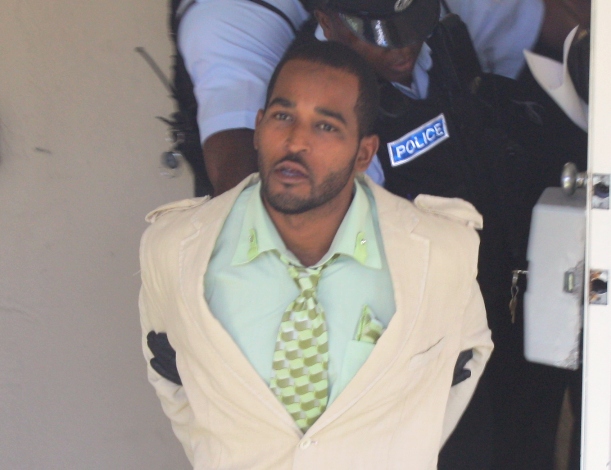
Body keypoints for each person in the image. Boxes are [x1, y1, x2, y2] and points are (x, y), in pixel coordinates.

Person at [140, 40, 493, 469]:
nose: (296, 141)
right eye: (282, 116)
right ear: (258, 127)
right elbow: (172, 380)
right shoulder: (175, 248)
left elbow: (460, 369)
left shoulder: (440, 252)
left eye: (325, 126)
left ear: (363, 153)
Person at [175, 0, 588, 197]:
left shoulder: (436, 37)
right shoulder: (229, 21)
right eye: (384, 37)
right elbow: (244, 188)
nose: (403, 47)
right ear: (326, 22)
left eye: (411, 25)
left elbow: (561, 23)